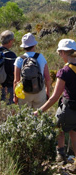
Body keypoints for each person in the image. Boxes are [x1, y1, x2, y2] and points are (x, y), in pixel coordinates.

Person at [34, 38, 76, 168]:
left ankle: (60, 155)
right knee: (74, 133)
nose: (60, 56)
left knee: (58, 128)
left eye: (60, 53)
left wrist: (40, 111)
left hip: (68, 108)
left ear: (64, 52)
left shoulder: (64, 72)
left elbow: (54, 97)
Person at [14, 32, 50, 108]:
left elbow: (16, 81)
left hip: (24, 93)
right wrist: (48, 92)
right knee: (40, 116)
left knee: (25, 117)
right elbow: (47, 78)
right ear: (34, 45)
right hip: (39, 91)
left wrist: (15, 96)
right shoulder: (41, 57)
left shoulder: (19, 59)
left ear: (23, 46)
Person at [0, 30, 17, 124]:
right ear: (10, 41)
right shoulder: (11, 55)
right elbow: (15, 73)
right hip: (8, 86)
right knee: (12, 108)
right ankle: (12, 127)